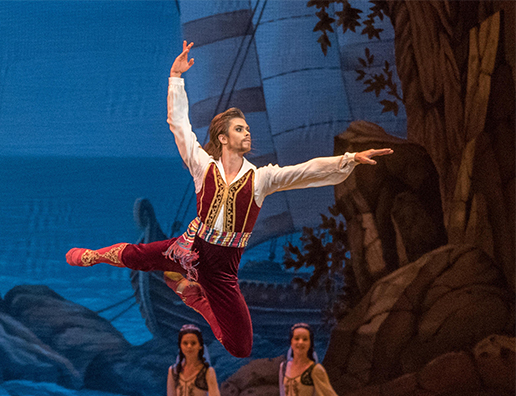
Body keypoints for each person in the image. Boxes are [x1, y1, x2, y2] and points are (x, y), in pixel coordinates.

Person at [66, 40, 393, 358]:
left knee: (240, 346)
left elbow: (305, 172)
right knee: (138, 255)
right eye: (240, 129)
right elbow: (179, 126)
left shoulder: (261, 178)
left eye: (248, 128)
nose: (247, 132)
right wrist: (175, 78)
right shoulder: (202, 166)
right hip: (188, 247)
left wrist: (349, 159)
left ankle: (195, 298)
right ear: (222, 138)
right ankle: (95, 256)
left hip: (222, 267)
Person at [136, 324, 258, 396]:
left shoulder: (207, 371)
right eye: (185, 343)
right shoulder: (174, 371)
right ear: (180, 346)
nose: (189, 347)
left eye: (193, 343)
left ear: (200, 346)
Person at [259, 323, 378, 396]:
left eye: (305, 339)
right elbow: (283, 395)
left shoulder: (314, 369)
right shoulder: (284, 367)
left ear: (310, 343)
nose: (300, 342)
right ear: (291, 341)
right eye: (297, 339)